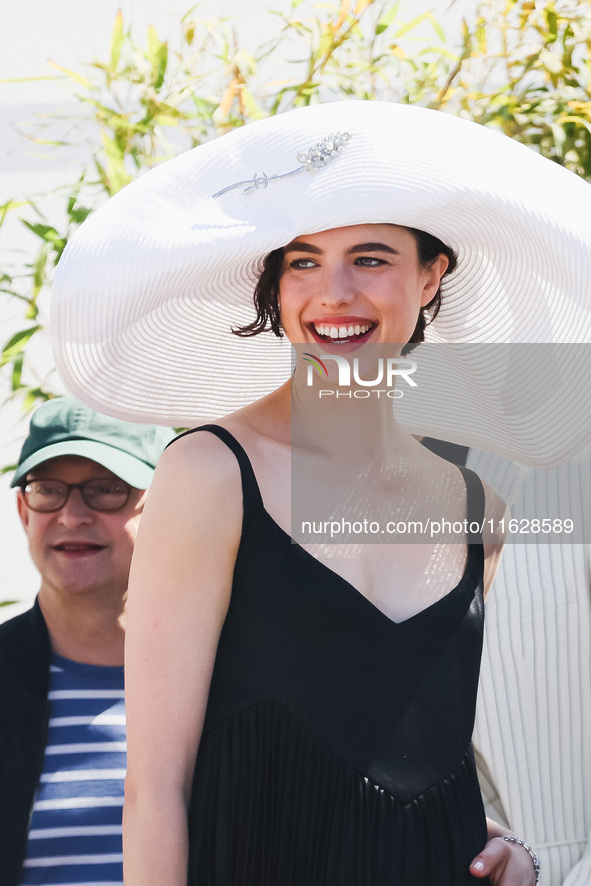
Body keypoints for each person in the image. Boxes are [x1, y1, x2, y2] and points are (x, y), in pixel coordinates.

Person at [50, 101, 591, 885]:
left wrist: (502, 839)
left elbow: (406, 751)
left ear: (431, 273)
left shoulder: (480, 513)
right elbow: (154, 791)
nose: (332, 293)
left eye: (370, 259)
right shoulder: (209, 473)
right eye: (302, 262)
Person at [0, 396, 173, 886]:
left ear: (165, 509)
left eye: (107, 489)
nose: (72, 516)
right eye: (47, 490)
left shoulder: (234, 681)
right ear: (22, 512)